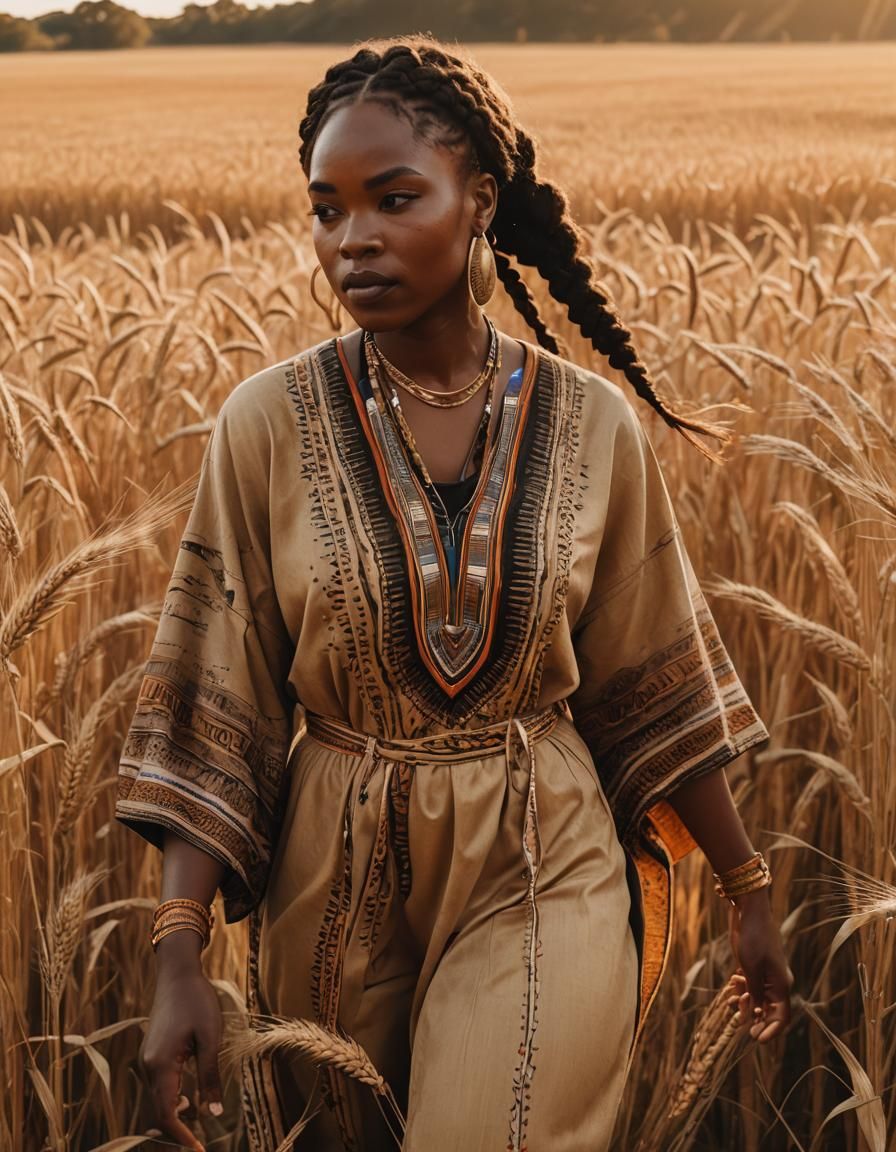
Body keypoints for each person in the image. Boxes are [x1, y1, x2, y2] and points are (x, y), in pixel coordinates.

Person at [115, 34, 793, 1152]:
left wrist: (745, 887)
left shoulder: (591, 426)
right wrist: (178, 948)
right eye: (326, 210)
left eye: (392, 198)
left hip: (542, 853)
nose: (352, 239)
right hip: (328, 879)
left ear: (477, 201)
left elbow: (649, 674)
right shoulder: (265, 422)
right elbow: (214, 693)